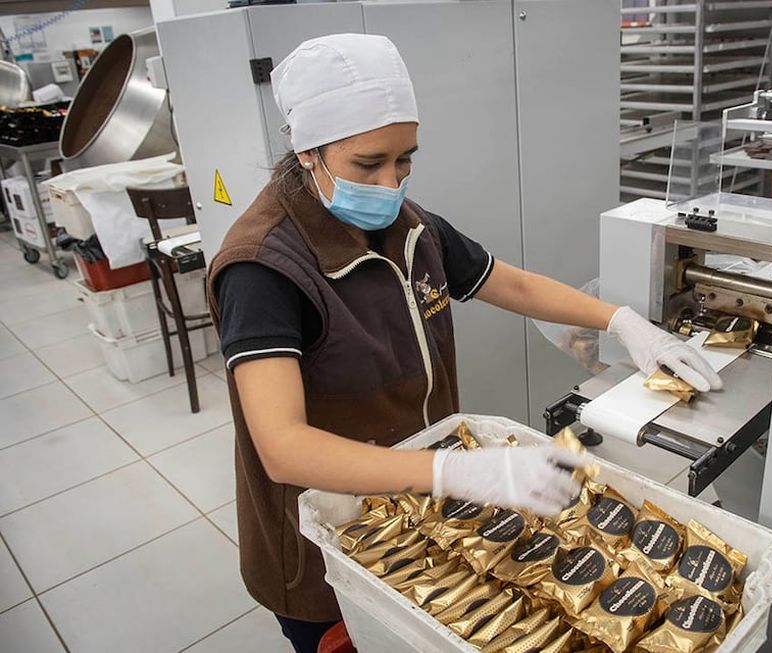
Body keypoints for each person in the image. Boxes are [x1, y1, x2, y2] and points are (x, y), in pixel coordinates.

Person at [207, 34, 722, 653]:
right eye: (369, 164)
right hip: (328, 534)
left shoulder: (409, 225)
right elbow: (283, 448)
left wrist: (624, 323)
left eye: (405, 160)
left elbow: (512, 284)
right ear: (307, 152)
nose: (390, 183)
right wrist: (454, 469)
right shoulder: (262, 267)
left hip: (423, 514)